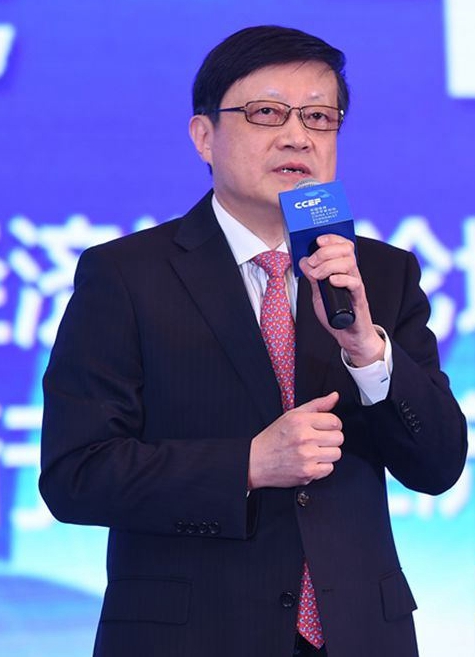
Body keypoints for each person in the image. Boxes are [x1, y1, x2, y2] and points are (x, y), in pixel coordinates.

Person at [39, 25, 467, 657]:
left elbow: (439, 465)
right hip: (190, 638)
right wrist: (247, 465)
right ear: (204, 136)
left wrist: (366, 350)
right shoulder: (126, 275)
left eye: (319, 117)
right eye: (267, 113)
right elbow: (76, 474)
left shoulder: (379, 274)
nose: (297, 136)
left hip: (358, 637)